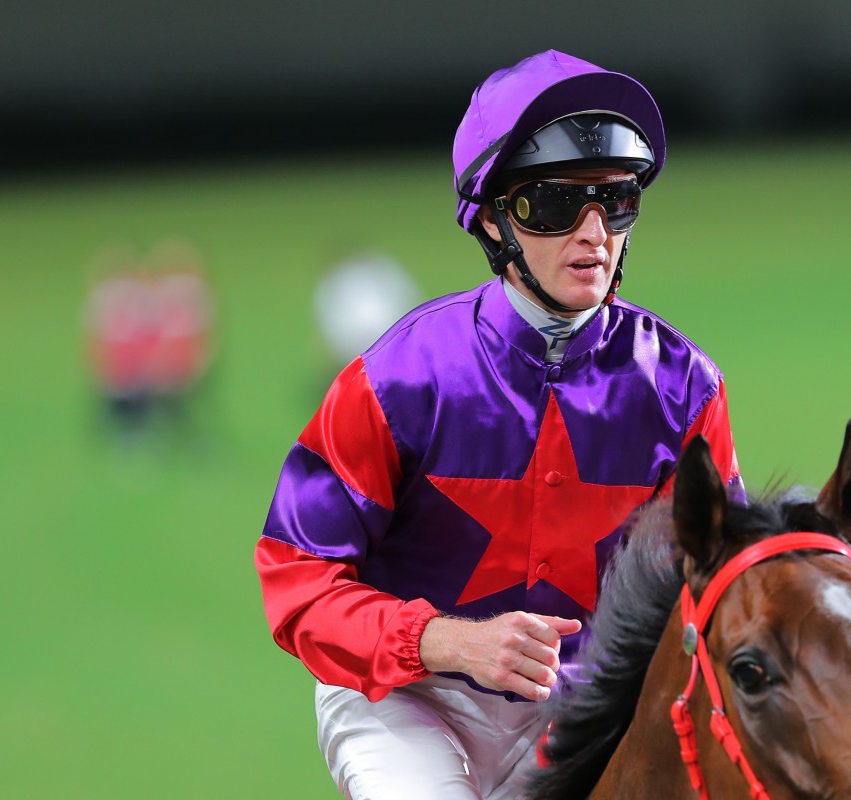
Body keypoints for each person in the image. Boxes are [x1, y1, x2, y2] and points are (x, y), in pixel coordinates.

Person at [255, 49, 742, 800]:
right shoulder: (396, 379)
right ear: (492, 218)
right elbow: (297, 579)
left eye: (615, 200)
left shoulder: (685, 386)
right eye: (554, 205)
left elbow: (719, 580)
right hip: (406, 694)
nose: (594, 234)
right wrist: (444, 640)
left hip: (584, 709)